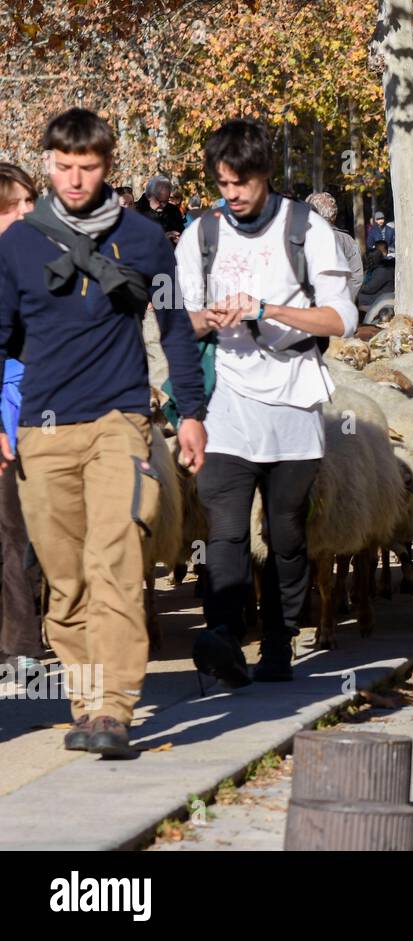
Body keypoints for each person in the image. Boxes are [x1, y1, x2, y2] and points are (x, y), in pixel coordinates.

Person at [0, 109, 208, 757]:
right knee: (66, 578)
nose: (73, 179)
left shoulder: (147, 240)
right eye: (62, 167)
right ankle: (86, 699)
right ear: (49, 163)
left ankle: (115, 706)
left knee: (113, 561)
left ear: (108, 166)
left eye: (87, 167)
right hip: (43, 428)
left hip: (121, 420)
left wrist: (192, 412)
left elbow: (174, 329)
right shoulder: (16, 245)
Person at [176, 118, 357, 687]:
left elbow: (342, 319)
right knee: (224, 529)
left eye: (242, 183)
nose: (232, 195)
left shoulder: (306, 230)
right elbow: (180, 321)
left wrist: (267, 309)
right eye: (223, 183)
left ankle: (279, 643)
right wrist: (207, 318)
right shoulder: (200, 235)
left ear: (265, 176)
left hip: (295, 403)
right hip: (227, 403)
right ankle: (225, 635)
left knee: (285, 532)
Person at [0, 164, 41, 679]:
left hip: (24, 412)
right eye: (19, 204)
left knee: (14, 533)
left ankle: (21, 645)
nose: (31, 211)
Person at [307, 191, 364, 300]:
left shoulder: (301, 237)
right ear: (334, 215)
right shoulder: (347, 241)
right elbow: (357, 277)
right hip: (338, 308)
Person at [135, 174, 184, 244]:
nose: (163, 205)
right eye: (160, 201)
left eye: (166, 201)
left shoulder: (174, 211)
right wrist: (163, 238)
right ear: (149, 196)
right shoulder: (136, 212)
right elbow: (134, 242)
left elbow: (181, 233)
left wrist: (179, 239)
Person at [358, 239, 395, 315]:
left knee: (358, 298)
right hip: (378, 294)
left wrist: (358, 286)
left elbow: (370, 288)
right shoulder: (376, 269)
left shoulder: (382, 271)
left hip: (382, 297)